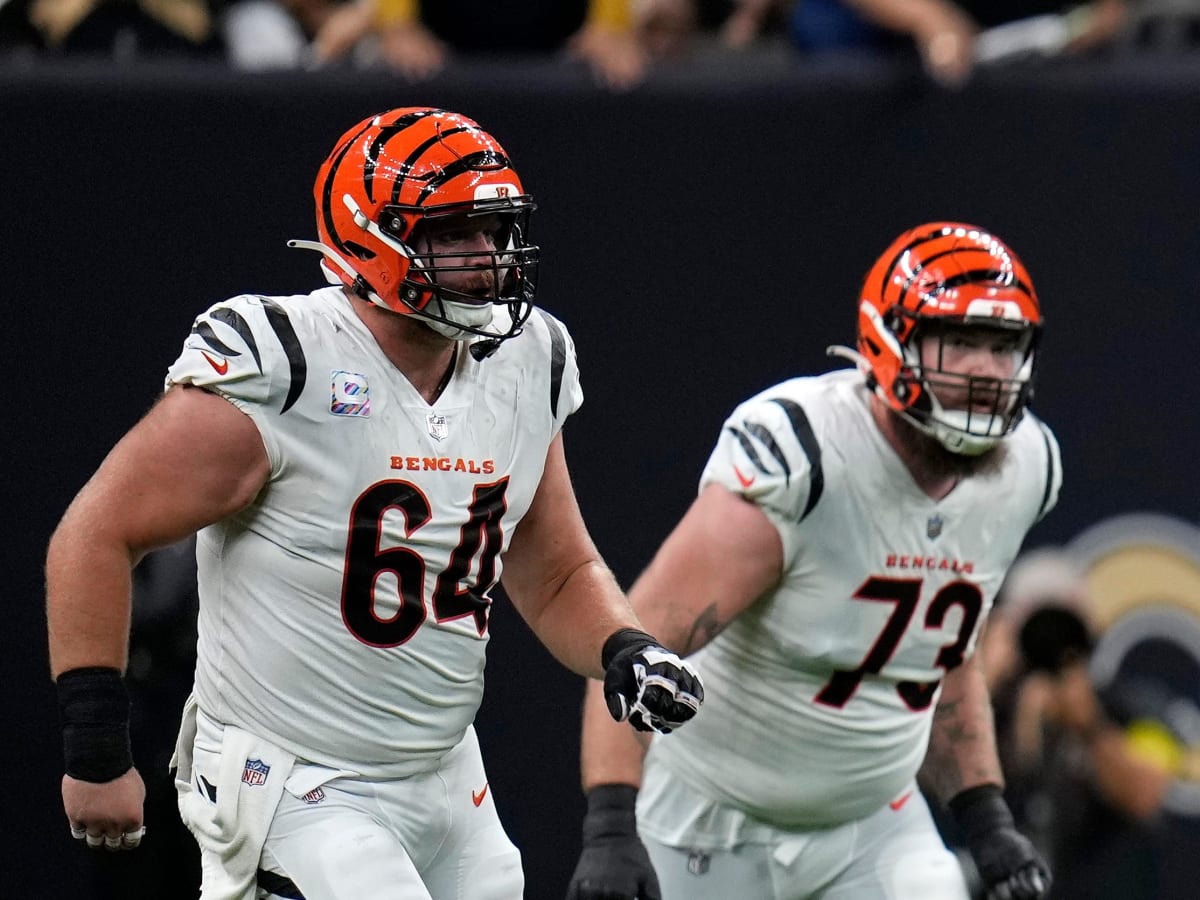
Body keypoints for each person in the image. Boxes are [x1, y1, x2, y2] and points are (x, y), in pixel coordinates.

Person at [45, 106, 704, 900]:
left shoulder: (528, 356)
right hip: (293, 773)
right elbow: (95, 533)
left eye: (494, 232)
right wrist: (94, 748)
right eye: (455, 232)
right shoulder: (286, 365)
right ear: (371, 235)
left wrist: (623, 648)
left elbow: (553, 566)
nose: (486, 257)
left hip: (443, 765)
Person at [567, 221, 1061, 900]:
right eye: (959, 342)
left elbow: (946, 654)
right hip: (714, 823)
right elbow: (637, 644)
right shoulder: (808, 458)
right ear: (890, 343)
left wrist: (986, 818)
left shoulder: (1025, 466)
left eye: (1001, 348)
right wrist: (610, 823)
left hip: (873, 823)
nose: (983, 371)